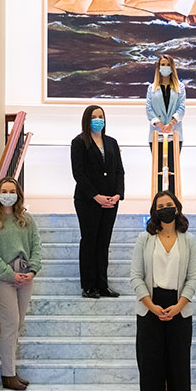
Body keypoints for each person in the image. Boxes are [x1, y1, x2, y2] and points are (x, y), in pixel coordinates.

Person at [130, 190, 196, 391]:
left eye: (169, 204)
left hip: (179, 309)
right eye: (160, 206)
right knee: (150, 367)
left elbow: (193, 278)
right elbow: (136, 276)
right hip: (150, 308)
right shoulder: (144, 239)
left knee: (178, 366)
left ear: (177, 208)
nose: (165, 209)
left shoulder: (188, 240)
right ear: (154, 211)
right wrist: (151, 305)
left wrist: (179, 306)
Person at [0, 176, 42, 391]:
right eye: (4, 191)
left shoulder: (27, 220)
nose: (8, 195)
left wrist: (33, 270)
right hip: (3, 278)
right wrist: (9, 274)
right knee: (9, 324)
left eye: (12, 191)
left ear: (18, 195)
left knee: (18, 324)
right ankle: (8, 375)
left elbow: (36, 246)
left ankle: (12, 370)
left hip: (25, 276)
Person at [71, 105, 125, 299]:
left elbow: (119, 170)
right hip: (88, 201)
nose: (98, 119)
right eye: (94, 116)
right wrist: (96, 196)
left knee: (103, 242)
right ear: (87, 120)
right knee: (90, 241)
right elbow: (79, 174)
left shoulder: (111, 142)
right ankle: (88, 286)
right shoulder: (79, 142)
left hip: (111, 201)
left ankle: (103, 284)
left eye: (100, 116)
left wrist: (118, 194)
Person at [146, 54, 186, 194]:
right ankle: (158, 202)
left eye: (167, 64)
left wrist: (172, 123)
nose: (165, 67)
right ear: (158, 67)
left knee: (172, 170)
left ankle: (174, 203)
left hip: (175, 134)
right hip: (156, 134)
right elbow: (149, 109)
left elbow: (182, 108)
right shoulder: (151, 88)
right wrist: (159, 124)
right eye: (162, 65)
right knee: (158, 169)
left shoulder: (179, 87)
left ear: (172, 67)